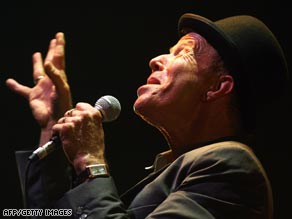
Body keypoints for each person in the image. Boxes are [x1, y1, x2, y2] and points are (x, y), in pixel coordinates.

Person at [6, 12, 289, 219]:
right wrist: (53, 127)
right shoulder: (172, 170)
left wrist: (90, 162)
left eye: (183, 53)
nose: (156, 59)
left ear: (217, 87)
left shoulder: (231, 167)